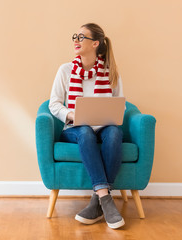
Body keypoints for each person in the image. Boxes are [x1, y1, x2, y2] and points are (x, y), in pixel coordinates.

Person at [48, 23, 125, 229]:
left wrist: (111, 115)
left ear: (96, 43)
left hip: (104, 127)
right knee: (85, 131)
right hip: (75, 129)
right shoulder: (65, 70)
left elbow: (120, 104)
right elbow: (53, 104)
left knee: (115, 133)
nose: (76, 40)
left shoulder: (111, 71)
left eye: (81, 37)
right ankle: (106, 199)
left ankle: (96, 201)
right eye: (75, 36)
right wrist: (71, 114)